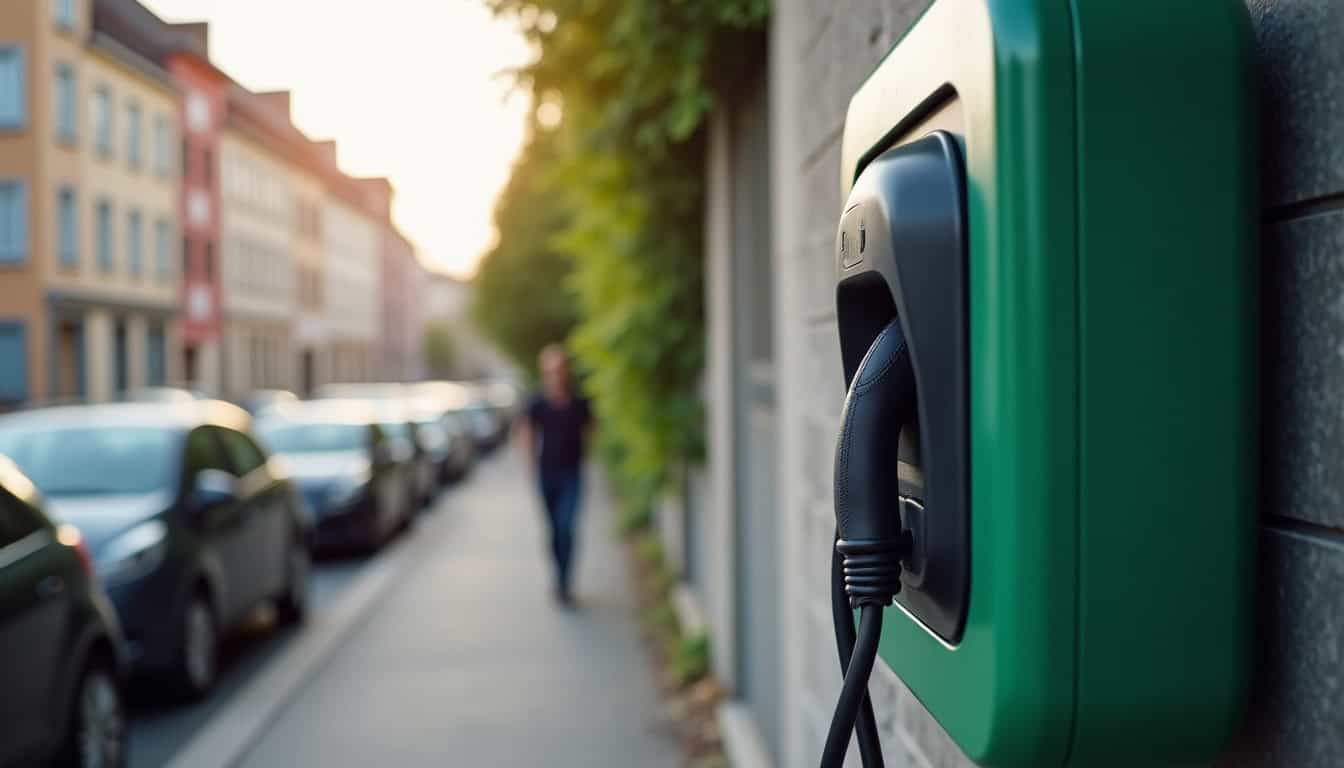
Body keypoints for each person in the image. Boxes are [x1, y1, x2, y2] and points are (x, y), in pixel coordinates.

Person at [515, 344, 592, 606]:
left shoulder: (579, 402)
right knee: (552, 530)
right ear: (544, 372)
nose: (556, 374)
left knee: (566, 527)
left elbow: (590, 431)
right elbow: (526, 433)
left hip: (572, 473)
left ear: (566, 371)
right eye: (551, 370)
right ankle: (558, 576)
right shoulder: (536, 402)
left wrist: (585, 457)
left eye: (560, 369)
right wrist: (529, 465)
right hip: (546, 473)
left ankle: (564, 582)